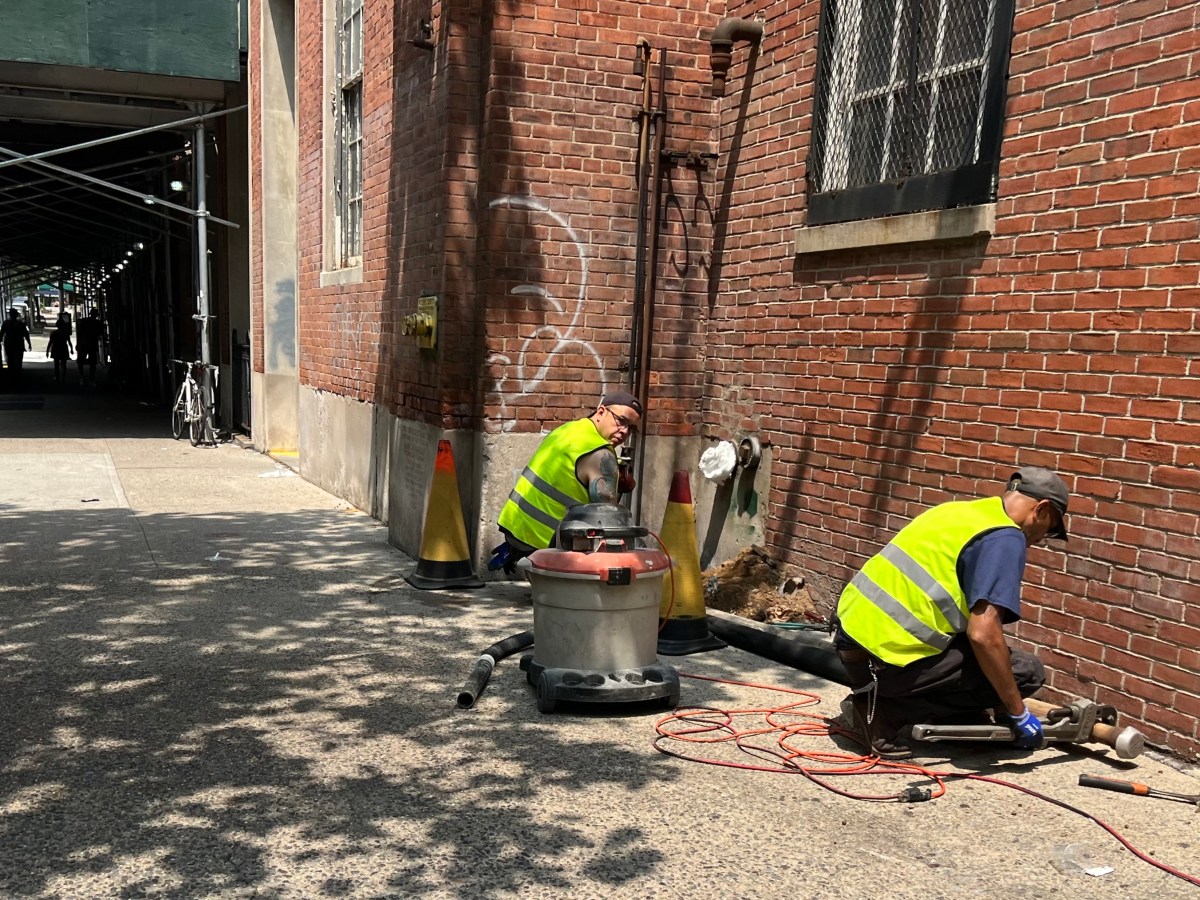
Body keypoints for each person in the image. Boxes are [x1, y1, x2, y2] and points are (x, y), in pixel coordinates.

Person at [832, 466, 1070, 759]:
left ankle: (950, 719)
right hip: (886, 662)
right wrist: (1017, 712)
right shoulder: (1005, 538)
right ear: (1042, 509)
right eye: (1051, 529)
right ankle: (881, 714)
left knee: (985, 656)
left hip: (852, 647)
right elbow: (984, 635)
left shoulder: (957, 512)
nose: (1042, 538)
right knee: (1025, 671)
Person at [489, 390, 642, 574]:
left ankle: (515, 551)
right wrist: (619, 489)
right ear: (601, 412)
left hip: (514, 527)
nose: (625, 431)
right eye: (621, 420)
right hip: (543, 542)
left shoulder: (568, 429)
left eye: (631, 428)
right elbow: (607, 519)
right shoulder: (602, 454)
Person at [0, 308, 33, 389]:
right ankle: (17, 378)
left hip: (9, 345)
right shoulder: (20, 324)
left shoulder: (6, 323)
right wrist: (29, 344)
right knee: (18, 362)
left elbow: (1, 334)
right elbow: (26, 334)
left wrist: (1, 340)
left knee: (10, 362)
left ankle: (11, 378)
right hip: (18, 345)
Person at [75, 308, 103, 386]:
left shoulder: (84, 321)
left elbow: (79, 333)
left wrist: (78, 343)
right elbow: (100, 333)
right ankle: (91, 379)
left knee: (81, 361)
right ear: (96, 315)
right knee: (92, 363)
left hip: (83, 343)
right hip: (92, 344)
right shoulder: (98, 323)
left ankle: (81, 377)